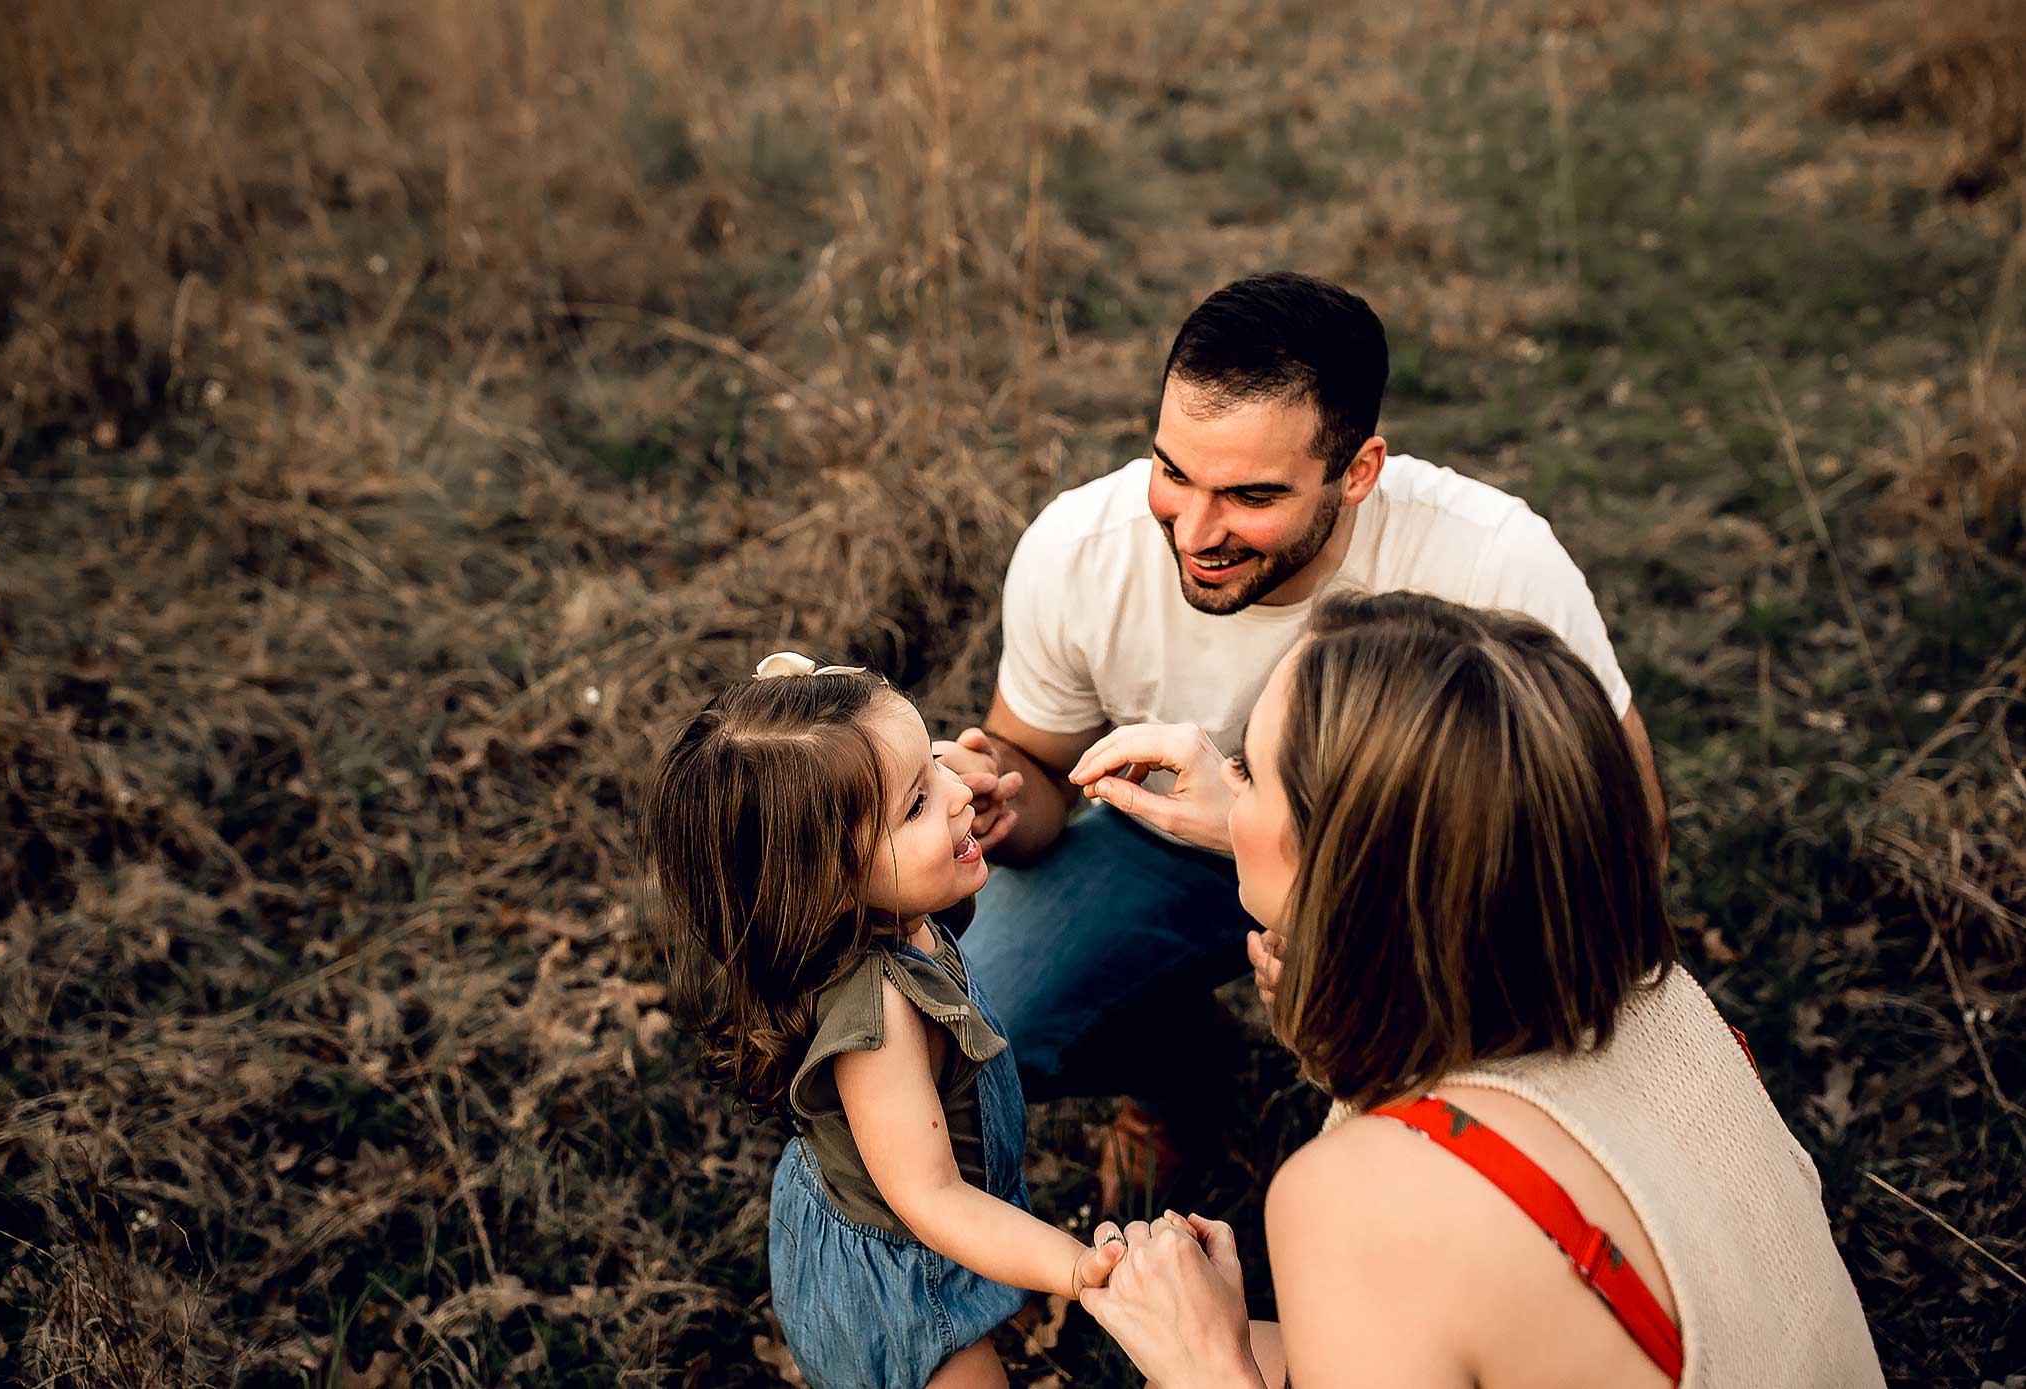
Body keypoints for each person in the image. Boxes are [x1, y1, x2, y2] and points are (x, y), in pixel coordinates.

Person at [937, 271, 1663, 1197]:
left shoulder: (1493, 562)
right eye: (1172, 471)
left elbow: (1619, 841)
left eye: (1249, 494)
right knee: (980, 1010)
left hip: (1422, 880)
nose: (1194, 530)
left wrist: (1342, 927)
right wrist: (1002, 795)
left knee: (1421, 1160)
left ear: (1358, 472)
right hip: (1164, 845)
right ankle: (1183, 1068)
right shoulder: (1080, 551)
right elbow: (1036, 765)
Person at [1073, 593, 1885, 1389]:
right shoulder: (1640, 986)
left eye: (1247, 771)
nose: (1227, 789)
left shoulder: (1356, 1198)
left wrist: (1203, 1366)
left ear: (1348, 863)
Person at [641, 652, 1125, 1389]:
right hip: (902, 1280)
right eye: (918, 803)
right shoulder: (880, 1022)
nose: (959, 790)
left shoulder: (894, 911)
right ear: (830, 884)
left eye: (934, 763)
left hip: (910, 1224)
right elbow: (932, 1199)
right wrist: (1073, 1265)